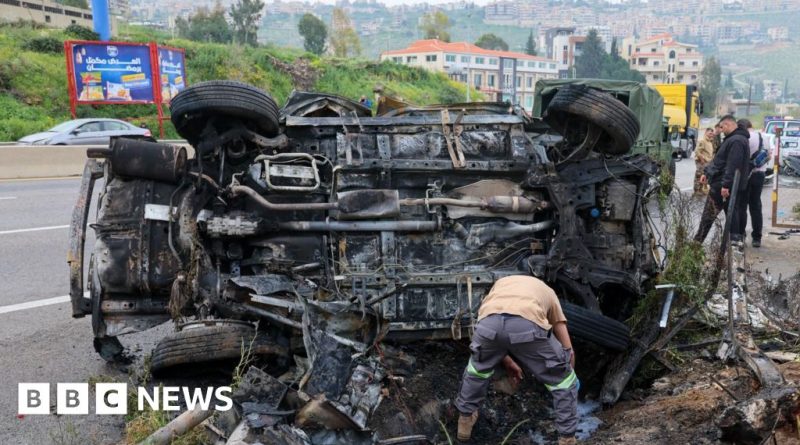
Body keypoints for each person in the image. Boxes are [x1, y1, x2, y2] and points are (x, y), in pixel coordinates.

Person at [455, 275, 578, 445]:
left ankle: (465, 421)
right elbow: (560, 329)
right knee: (563, 380)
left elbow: (499, 330)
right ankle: (567, 438)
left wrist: (508, 361)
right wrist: (567, 367)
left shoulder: (500, 285)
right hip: (527, 324)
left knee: (477, 370)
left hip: (488, 324)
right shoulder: (547, 291)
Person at [694, 115, 751, 244]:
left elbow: (733, 166)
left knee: (710, 216)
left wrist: (725, 185)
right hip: (724, 184)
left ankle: (698, 243)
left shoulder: (736, 141)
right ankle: (735, 241)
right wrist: (707, 173)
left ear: (728, 125)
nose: (720, 130)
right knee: (731, 213)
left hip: (722, 186)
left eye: (721, 127)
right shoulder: (733, 139)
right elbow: (719, 161)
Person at [739, 119, 770, 247]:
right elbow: (768, 155)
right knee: (756, 206)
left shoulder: (744, 138)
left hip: (746, 175)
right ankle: (757, 238)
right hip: (760, 175)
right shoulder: (764, 137)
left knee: (742, 206)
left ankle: (741, 235)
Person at [693, 127, 715, 196]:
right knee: (699, 175)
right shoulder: (702, 141)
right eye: (710, 133)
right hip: (701, 162)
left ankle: (701, 190)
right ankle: (697, 191)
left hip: (707, 162)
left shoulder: (710, 142)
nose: (711, 134)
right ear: (706, 133)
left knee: (704, 176)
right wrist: (702, 160)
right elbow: (697, 151)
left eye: (712, 133)